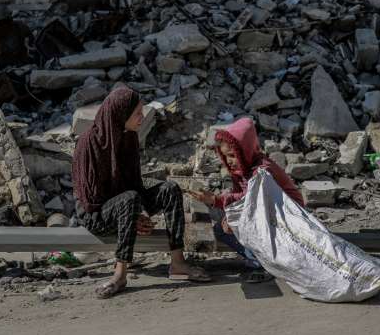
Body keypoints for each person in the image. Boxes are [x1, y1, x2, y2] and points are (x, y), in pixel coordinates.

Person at [72, 87, 210, 298]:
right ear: (121, 115)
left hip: (126, 204)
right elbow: (91, 201)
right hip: (95, 214)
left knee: (169, 189)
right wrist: (132, 215)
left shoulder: (129, 137)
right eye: (137, 113)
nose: (142, 117)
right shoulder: (89, 143)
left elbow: (134, 181)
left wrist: (142, 211)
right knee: (130, 199)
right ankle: (120, 273)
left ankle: (178, 263)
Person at [188, 118, 304, 283]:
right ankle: (260, 257)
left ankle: (265, 262)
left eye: (232, 155)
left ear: (245, 150)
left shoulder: (263, 170)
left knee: (224, 222)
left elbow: (251, 199)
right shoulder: (242, 169)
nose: (229, 161)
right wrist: (229, 213)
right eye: (225, 156)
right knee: (219, 225)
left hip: (288, 218)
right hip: (266, 213)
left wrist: (219, 202)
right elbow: (241, 196)